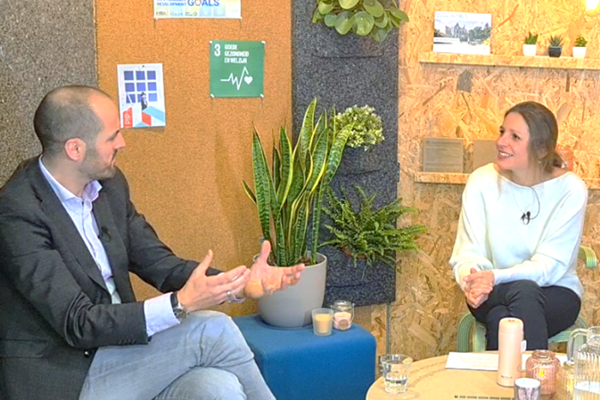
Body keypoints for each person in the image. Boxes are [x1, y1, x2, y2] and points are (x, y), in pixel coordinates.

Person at [0, 85, 305, 400]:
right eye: (112, 136)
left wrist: (237, 284)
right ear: (75, 149)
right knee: (213, 329)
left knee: (218, 388)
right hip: (66, 375)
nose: (122, 143)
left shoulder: (109, 187)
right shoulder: (17, 212)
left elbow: (161, 265)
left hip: (124, 355)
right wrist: (179, 304)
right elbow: (78, 323)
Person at [450, 101, 587, 350]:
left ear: (542, 149)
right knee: (519, 296)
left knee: (503, 316)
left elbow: (550, 267)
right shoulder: (481, 182)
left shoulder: (570, 189)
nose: (501, 142)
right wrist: (473, 281)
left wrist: (496, 276)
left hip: (555, 292)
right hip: (491, 291)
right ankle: (536, 374)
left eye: (515, 137)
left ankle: (503, 376)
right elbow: (467, 253)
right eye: (502, 132)